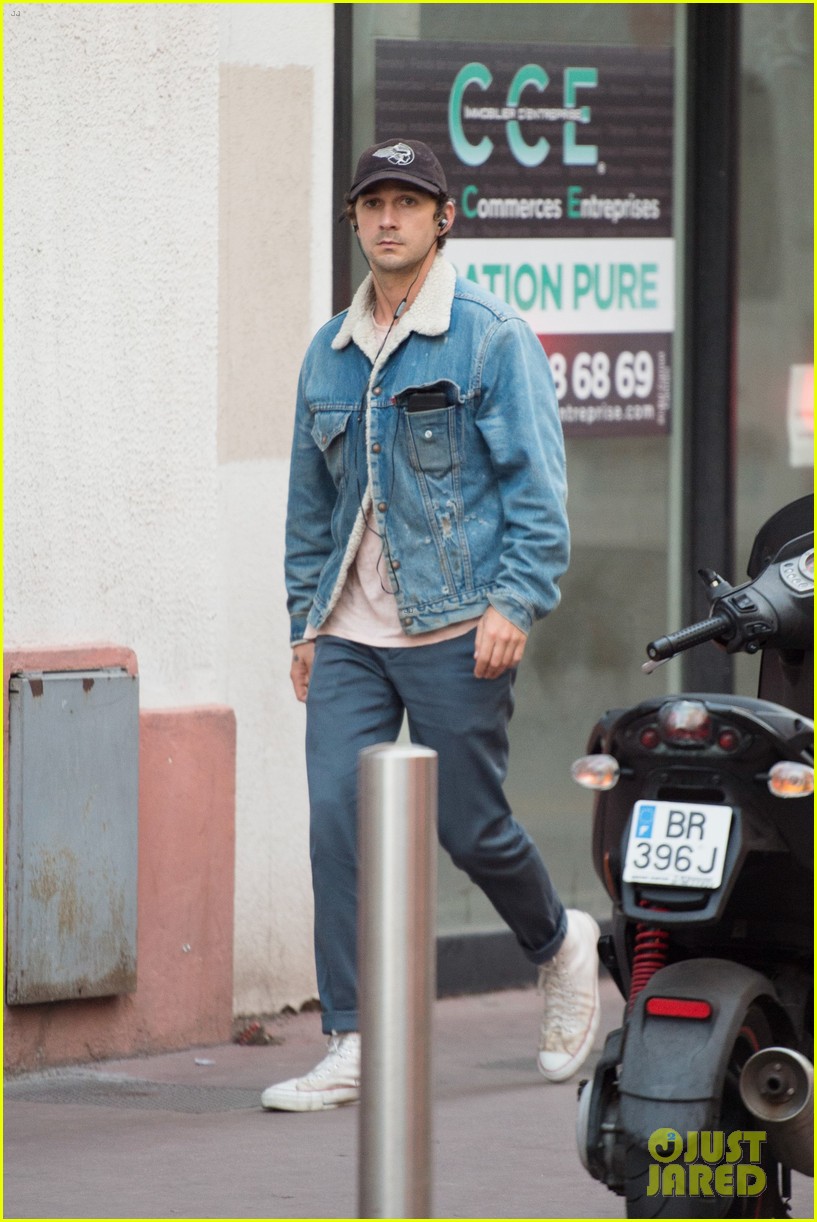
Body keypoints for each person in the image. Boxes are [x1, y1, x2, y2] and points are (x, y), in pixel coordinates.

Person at [263, 138, 600, 1112]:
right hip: (350, 633)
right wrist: (303, 622)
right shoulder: (328, 353)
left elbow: (538, 491)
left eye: (408, 203)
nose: (388, 218)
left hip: (458, 624)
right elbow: (310, 508)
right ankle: (351, 1039)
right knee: (336, 822)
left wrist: (515, 601)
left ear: (442, 219)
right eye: (373, 203)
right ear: (354, 220)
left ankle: (558, 942)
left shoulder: (489, 337)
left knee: (469, 827)